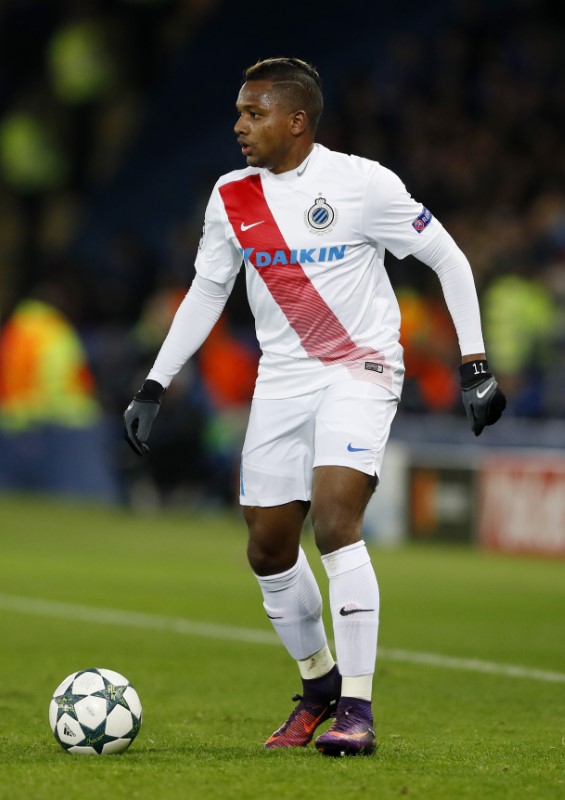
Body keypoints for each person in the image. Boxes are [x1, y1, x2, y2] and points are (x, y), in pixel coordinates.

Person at [124, 57, 506, 757]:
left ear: (296, 121)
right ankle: (318, 686)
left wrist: (474, 364)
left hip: (359, 366)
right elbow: (208, 292)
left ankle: (356, 710)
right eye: (239, 113)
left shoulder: (361, 184)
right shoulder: (230, 196)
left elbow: (447, 258)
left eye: (253, 113)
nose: (239, 126)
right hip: (283, 378)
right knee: (268, 547)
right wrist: (154, 382)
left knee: (333, 520)